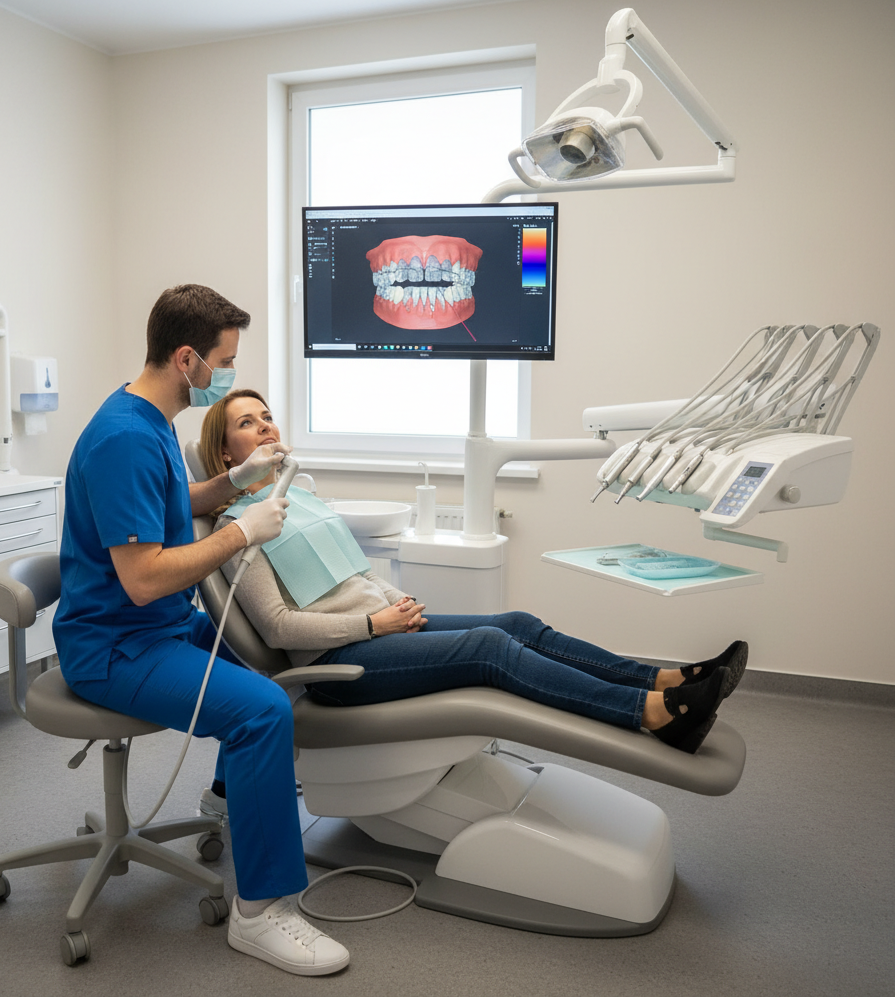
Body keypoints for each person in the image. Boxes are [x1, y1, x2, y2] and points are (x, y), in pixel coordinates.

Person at [52, 285, 350, 977]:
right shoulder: (124, 437)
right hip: (115, 645)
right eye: (223, 359)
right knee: (262, 711)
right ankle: (262, 913)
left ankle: (229, 805)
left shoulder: (150, 417)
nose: (226, 372)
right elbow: (145, 577)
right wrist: (245, 529)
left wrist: (231, 484)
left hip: (155, 627)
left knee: (269, 682)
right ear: (186, 358)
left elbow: (165, 505)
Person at [202, 389, 748, 754]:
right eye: (247, 424)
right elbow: (277, 629)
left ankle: (664, 678)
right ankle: (652, 713)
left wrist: (397, 602)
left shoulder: (298, 496)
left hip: (380, 628)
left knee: (517, 623)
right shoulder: (236, 531)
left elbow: (353, 574)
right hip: (337, 664)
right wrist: (374, 626)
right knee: (489, 647)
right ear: (227, 457)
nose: (266, 427)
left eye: (267, 415)